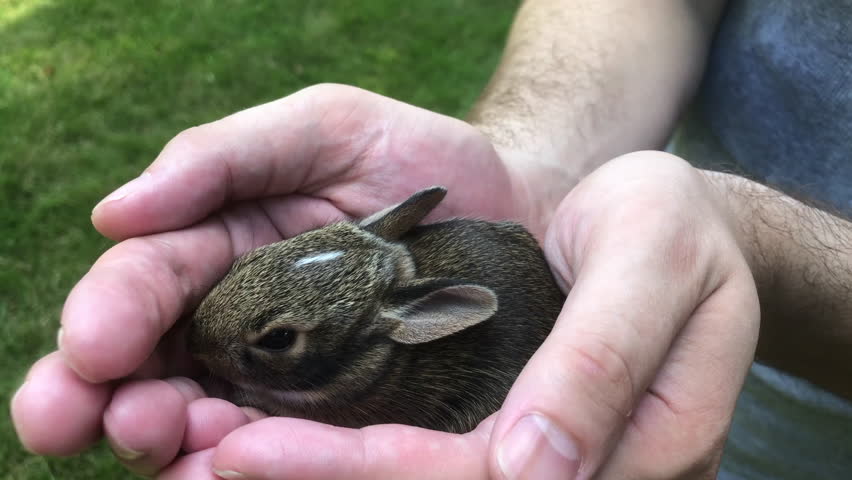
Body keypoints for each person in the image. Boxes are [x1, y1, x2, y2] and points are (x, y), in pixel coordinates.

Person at [11, 0, 852, 478]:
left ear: (407, 321)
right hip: (666, 316)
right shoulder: (383, 263)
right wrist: (534, 161)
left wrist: (751, 255)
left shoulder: (385, 368)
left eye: (277, 341)